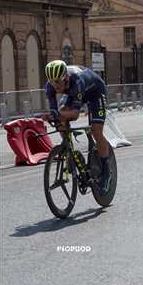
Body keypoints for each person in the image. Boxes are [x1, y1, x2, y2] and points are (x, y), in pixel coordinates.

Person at [43, 60, 111, 195]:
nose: (55, 86)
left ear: (65, 78)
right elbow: (55, 111)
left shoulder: (77, 81)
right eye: (52, 82)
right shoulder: (50, 86)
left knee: (97, 131)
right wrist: (53, 116)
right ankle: (68, 148)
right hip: (75, 94)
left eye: (58, 81)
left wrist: (56, 115)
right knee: (61, 113)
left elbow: (74, 114)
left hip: (95, 92)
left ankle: (106, 171)